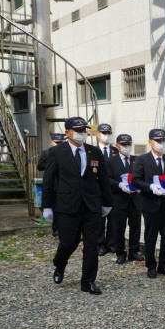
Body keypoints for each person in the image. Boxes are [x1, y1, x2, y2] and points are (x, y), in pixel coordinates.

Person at [41, 116, 112, 295]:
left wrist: (107, 202)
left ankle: (88, 282)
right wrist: (47, 206)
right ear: (67, 132)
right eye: (78, 131)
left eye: (83, 130)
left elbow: (103, 178)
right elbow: (48, 181)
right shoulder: (56, 152)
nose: (82, 134)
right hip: (67, 206)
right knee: (68, 243)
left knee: (91, 246)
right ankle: (60, 264)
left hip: (91, 206)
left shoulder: (94, 152)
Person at [132, 128, 165, 279]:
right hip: (151, 204)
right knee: (151, 236)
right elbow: (136, 180)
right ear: (150, 142)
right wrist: (150, 187)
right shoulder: (142, 160)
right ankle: (151, 265)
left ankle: (164, 265)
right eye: (158, 141)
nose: (161, 143)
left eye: (163, 141)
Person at [105, 133, 143, 265]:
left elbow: (141, 177)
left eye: (128, 144)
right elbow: (107, 179)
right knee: (118, 227)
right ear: (117, 146)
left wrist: (140, 186)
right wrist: (120, 185)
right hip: (118, 199)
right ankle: (120, 252)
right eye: (123, 144)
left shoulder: (136, 160)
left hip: (135, 199)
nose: (126, 146)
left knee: (136, 226)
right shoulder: (110, 161)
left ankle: (134, 251)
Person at [37, 132, 65, 238]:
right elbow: (40, 166)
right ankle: (56, 228)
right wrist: (51, 165)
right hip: (52, 183)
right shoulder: (46, 153)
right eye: (57, 142)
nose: (59, 144)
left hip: (64, 183)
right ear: (52, 142)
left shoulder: (66, 153)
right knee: (54, 207)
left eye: (61, 142)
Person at [95, 123, 117, 256]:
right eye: (104, 133)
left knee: (113, 218)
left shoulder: (116, 151)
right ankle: (100, 244)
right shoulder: (92, 150)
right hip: (98, 190)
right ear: (98, 134)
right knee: (99, 219)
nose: (106, 135)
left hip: (113, 189)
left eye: (109, 133)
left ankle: (111, 243)